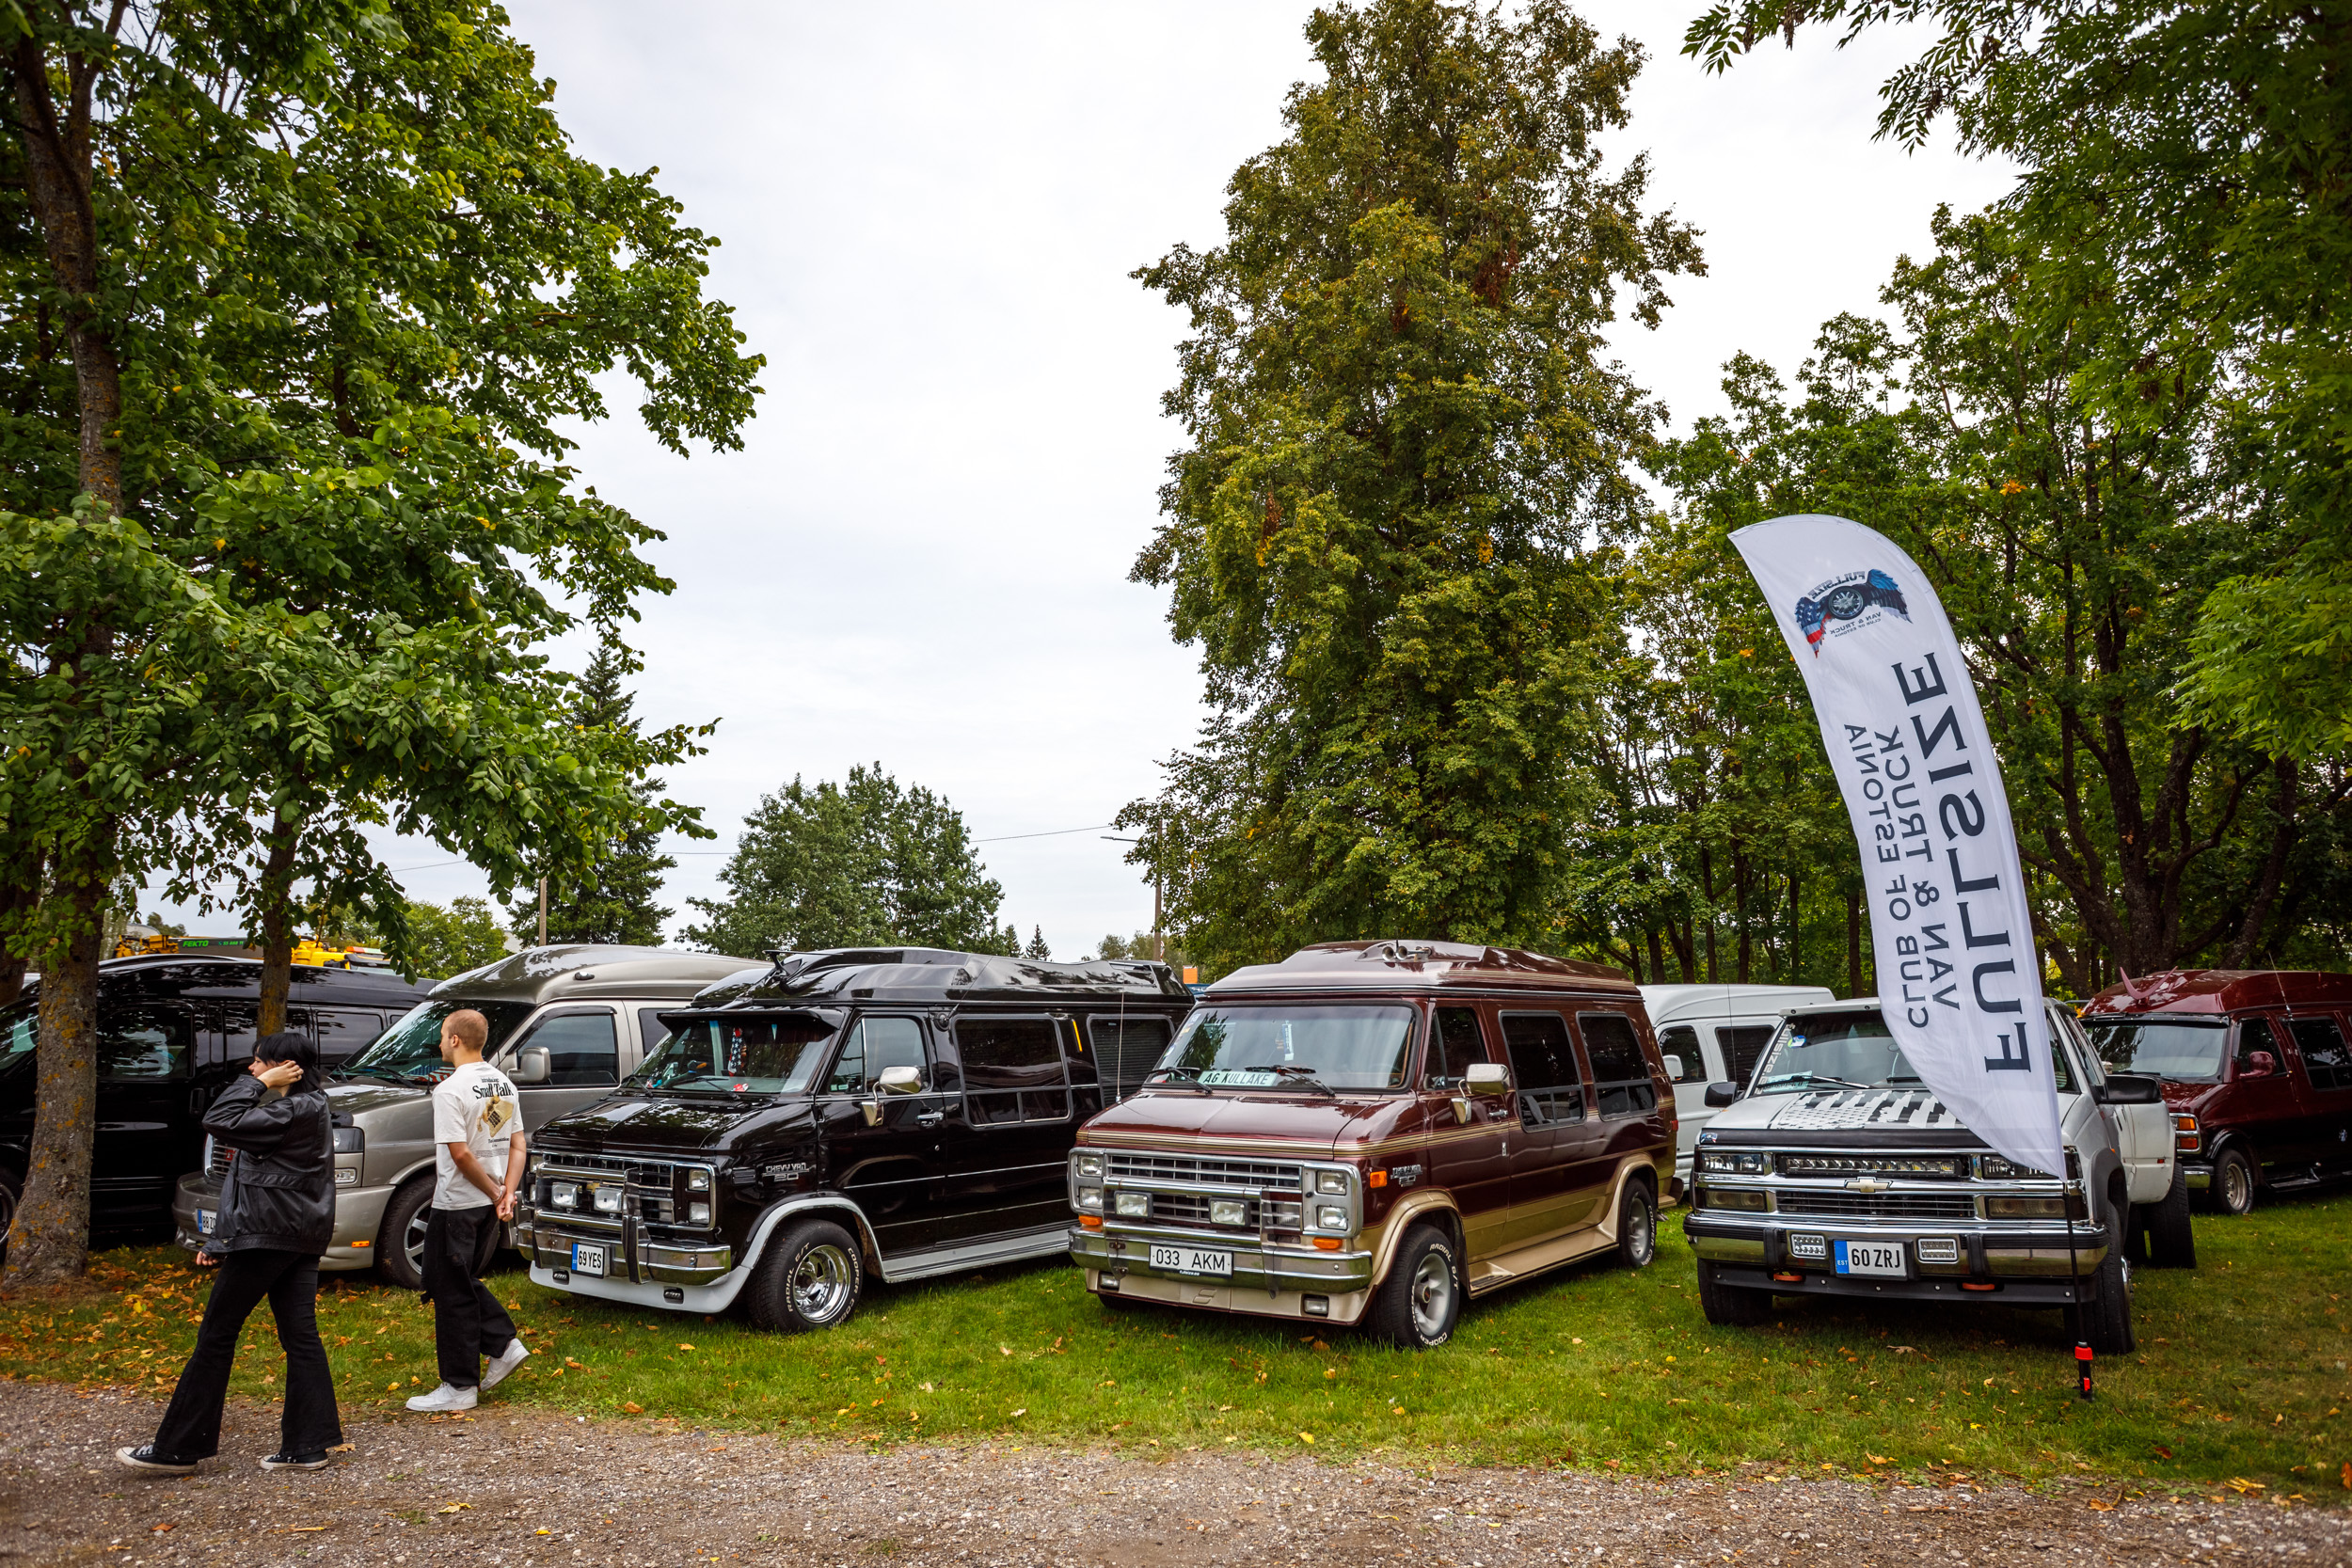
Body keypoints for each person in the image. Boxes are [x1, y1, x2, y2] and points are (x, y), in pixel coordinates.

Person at [118, 1032, 342, 1474]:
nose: (251, 1069)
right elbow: (254, 1184)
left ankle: (178, 1449)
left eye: (258, 1062)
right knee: (300, 1336)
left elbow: (218, 1119)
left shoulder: (290, 1110)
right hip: (289, 1232)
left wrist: (259, 1085)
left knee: (217, 1335)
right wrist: (220, 1239)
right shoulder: (307, 1107)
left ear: (286, 1067)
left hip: (269, 1236)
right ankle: (307, 1446)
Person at [405, 1007, 529, 1413]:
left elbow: (459, 1154)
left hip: (457, 1202)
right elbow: (518, 1145)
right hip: (487, 1204)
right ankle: (501, 1345)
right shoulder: (503, 1084)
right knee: (454, 1282)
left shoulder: (450, 1090)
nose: (441, 1042)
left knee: (449, 1289)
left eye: (443, 1035)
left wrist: (496, 1191)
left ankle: (461, 1385)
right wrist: (506, 1192)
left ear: (455, 1040)